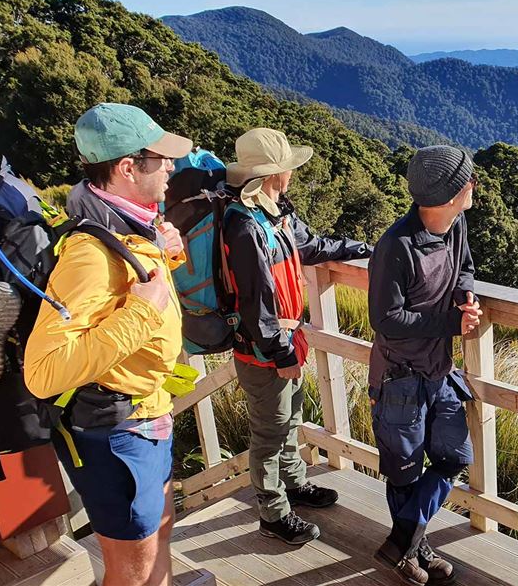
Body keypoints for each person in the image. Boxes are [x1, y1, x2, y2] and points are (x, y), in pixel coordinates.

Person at [25, 102, 192, 586]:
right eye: (161, 159)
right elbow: (44, 371)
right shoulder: (88, 255)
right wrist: (144, 311)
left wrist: (165, 257)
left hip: (145, 415)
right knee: (131, 568)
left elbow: (120, 299)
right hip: (118, 433)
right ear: (126, 167)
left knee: (159, 533)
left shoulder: (126, 225)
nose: (172, 168)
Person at [223, 128, 372, 545]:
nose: (291, 175)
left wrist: (362, 248)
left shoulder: (274, 213)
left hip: (286, 341)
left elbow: (313, 246)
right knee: (269, 432)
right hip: (265, 350)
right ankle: (273, 514)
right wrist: (281, 352)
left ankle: (293, 485)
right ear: (275, 174)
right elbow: (255, 303)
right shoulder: (245, 226)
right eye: (288, 169)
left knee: (290, 420)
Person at [367, 145, 482, 585]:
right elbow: (386, 320)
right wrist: (451, 322)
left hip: (438, 370)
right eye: (469, 181)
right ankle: (415, 549)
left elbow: (465, 267)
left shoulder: (456, 224)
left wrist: (464, 296)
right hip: (400, 377)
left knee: (454, 457)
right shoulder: (396, 246)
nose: (473, 186)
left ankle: (403, 541)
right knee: (404, 470)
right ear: (457, 192)